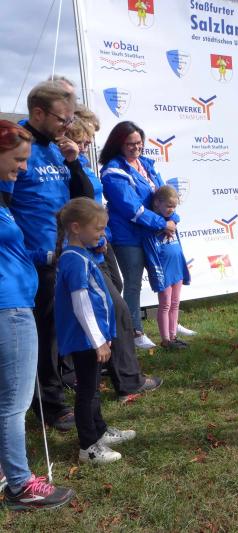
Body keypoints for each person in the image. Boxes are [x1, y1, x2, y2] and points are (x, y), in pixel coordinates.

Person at [0, 81, 89, 431]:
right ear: (39, 113)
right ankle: (50, 406)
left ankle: (59, 390)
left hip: (65, 255)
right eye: (63, 119)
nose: (68, 126)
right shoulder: (16, 147)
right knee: (42, 336)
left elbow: (82, 198)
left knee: (60, 331)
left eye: (70, 119)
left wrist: (74, 163)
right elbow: (5, 206)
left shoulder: (57, 149)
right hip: (36, 261)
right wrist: (31, 251)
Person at [0, 120, 75, 510]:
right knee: (14, 402)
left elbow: (13, 250)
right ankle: (20, 486)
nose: (24, 168)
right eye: (18, 159)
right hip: (9, 308)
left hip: (14, 302)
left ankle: (5, 470)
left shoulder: (3, 201)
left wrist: (46, 255)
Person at [66, 114, 162, 402]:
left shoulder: (83, 163)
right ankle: (128, 380)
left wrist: (102, 234)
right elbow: (82, 206)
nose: (86, 145)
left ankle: (107, 363)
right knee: (118, 308)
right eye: (82, 140)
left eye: (89, 140)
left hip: (100, 240)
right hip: (86, 247)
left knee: (116, 294)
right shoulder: (79, 166)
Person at [54, 198, 136, 464]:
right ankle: (88, 446)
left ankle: (99, 430)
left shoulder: (82, 254)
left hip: (92, 337)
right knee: (87, 391)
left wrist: (103, 336)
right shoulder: (73, 259)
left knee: (94, 388)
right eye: (98, 228)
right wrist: (98, 340)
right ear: (76, 228)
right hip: (85, 339)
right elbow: (81, 304)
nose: (102, 234)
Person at [100, 121, 177, 350]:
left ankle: (170, 324)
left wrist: (173, 218)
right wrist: (162, 223)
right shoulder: (113, 170)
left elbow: (165, 196)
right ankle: (135, 331)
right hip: (128, 237)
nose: (136, 148)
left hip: (151, 234)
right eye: (130, 144)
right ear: (119, 144)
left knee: (166, 278)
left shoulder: (146, 164)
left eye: (139, 143)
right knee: (133, 283)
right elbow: (132, 208)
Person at [143, 186, 191, 350]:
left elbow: (175, 217)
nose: (172, 209)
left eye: (174, 206)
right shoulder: (152, 222)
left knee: (175, 302)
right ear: (157, 203)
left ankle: (173, 336)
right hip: (163, 269)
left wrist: (172, 219)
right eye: (169, 206)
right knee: (165, 304)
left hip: (177, 267)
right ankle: (165, 340)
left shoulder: (172, 220)